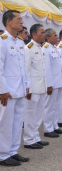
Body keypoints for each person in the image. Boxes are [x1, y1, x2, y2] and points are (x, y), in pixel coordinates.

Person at [0, 10, 30, 166]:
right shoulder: (2, 41)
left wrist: (27, 85)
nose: (21, 22)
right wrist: (3, 90)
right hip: (7, 92)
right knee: (5, 123)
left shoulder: (19, 42)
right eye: (18, 19)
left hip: (19, 89)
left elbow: (23, 67)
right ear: (8, 22)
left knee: (17, 122)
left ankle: (13, 151)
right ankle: (3, 154)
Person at [23, 24, 50, 149]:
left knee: (39, 114)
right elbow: (26, 70)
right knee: (30, 114)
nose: (44, 35)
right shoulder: (28, 48)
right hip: (33, 88)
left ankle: (35, 137)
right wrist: (27, 88)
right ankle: (29, 140)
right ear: (34, 34)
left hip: (41, 86)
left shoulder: (41, 48)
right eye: (42, 32)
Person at [42, 29, 62, 138]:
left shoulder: (54, 48)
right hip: (52, 83)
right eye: (54, 35)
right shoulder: (45, 49)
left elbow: (59, 67)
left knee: (56, 105)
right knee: (49, 107)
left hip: (58, 81)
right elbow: (46, 69)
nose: (57, 37)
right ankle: (48, 128)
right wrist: (49, 85)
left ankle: (55, 125)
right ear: (47, 38)